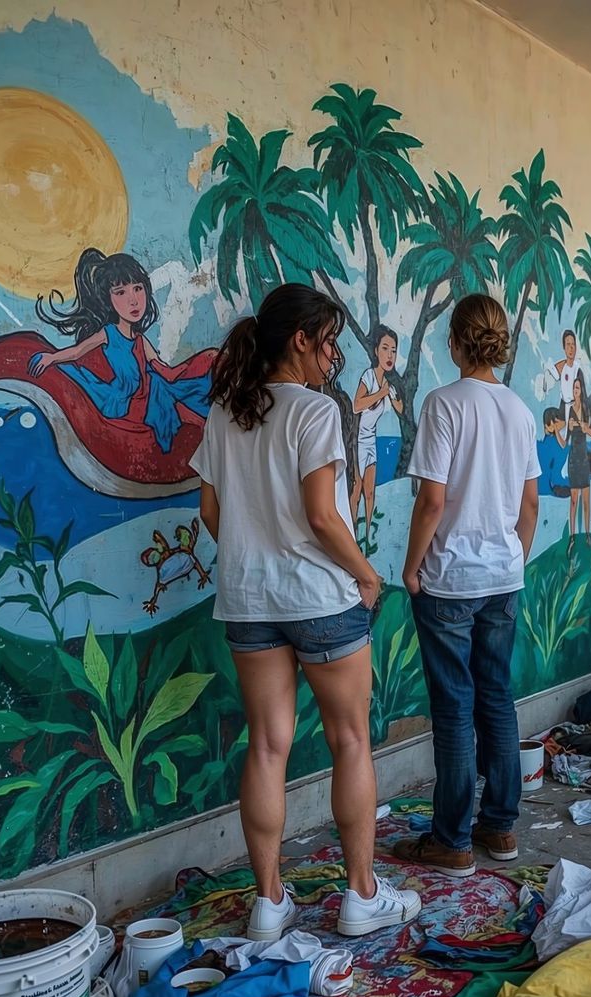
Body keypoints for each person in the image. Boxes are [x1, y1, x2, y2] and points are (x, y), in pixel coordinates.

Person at [191, 283, 420, 939]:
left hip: (248, 599)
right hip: (320, 597)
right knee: (350, 740)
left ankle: (267, 903)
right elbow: (322, 515)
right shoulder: (315, 414)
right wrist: (366, 574)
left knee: (267, 746)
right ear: (301, 340)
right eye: (329, 345)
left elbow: (210, 513)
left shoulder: (225, 414)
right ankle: (361, 895)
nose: (335, 360)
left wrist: (249, 556)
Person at [397, 294, 541, 878]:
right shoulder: (520, 411)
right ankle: (501, 829)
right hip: (503, 577)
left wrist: (411, 569)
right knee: (497, 698)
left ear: (454, 342)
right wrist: (513, 560)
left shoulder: (442, 404)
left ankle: (452, 840)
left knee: (455, 710)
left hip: (450, 580)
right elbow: (529, 503)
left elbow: (432, 500)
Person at [30, 247, 212, 453]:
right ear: (109, 299)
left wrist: (193, 368)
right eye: (121, 292)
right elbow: (76, 352)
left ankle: (205, 434)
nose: (133, 300)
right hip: (125, 400)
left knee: (168, 390)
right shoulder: (109, 333)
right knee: (165, 394)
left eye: (138, 288)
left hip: (150, 392)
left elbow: (162, 369)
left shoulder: (140, 339)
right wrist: (52, 357)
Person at [350, 327, 404, 546]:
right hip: (358, 442)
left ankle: (366, 542)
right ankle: (352, 538)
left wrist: (394, 395)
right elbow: (356, 405)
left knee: (369, 492)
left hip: (372, 441)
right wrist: (380, 394)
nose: (390, 355)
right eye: (385, 349)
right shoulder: (368, 376)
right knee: (356, 492)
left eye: (393, 350)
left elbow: (401, 409)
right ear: (375, 351)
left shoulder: (387, 384)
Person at [566, 372, 591, 535]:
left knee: (587, 501)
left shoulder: (587, 409)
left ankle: (588, 534)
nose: (575, 390)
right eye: (574, 387)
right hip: (573, 459)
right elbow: (564, 435)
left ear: (581, 390)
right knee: (574, 500)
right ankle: (573, 536)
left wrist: (586, 428)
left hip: (584, 458)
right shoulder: (569, 409)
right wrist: (568, 427)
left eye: (578, 387)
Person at [538, 406, 572, 499]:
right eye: (556, 422)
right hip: (552, 484)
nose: (562, 423)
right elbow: (563, 449)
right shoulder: (551, 442)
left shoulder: (551, 440)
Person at [553, 330, 584, 413]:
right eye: (568, 344)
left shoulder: (578, 370)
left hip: (575, 408)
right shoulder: (561, 367)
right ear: (564, 347)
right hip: (564, 407)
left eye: (573, 344)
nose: (571, 348)